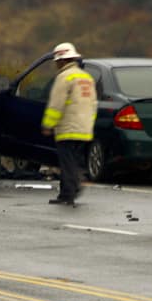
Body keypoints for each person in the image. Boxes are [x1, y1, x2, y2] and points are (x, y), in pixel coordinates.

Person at [41, 42, 98, 206]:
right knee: (75, 161)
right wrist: (88, 124)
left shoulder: (64, 77)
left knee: (67, 163)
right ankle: (72, 187)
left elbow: (56, 104)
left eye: (57, 61)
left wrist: (48, 124)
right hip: (84, 129)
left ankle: (68, 194)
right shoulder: (86, 78)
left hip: (68, 128)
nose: (56, 65)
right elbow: (93, 104)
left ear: (62, 60)